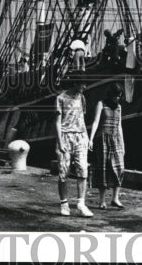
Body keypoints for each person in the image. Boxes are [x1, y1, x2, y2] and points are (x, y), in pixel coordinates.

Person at [55, 78, 93, 217]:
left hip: (80, 136)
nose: (85, 86)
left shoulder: (82, 98)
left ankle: (81, 204)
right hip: (65, 136)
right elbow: (58, 122)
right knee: (63, 171)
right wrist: (60, 141)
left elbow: (82, 118)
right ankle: (64, 203)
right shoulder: (61, 98)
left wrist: (87, 138)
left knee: (83, 169)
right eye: (83, 83)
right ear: (76, 83)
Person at [89, 83, 126, 209]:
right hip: (102, 140)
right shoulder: (101, 104)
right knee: (103, 170)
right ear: (111, 94)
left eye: (119, 96)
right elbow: (95, 122)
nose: (117, 98)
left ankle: (115, 198)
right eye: (116, 96)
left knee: (120, 168)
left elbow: (119, 126)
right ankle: (102, 201)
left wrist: (123, 143)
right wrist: (91, 139)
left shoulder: (119, 107)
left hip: (115, 139)